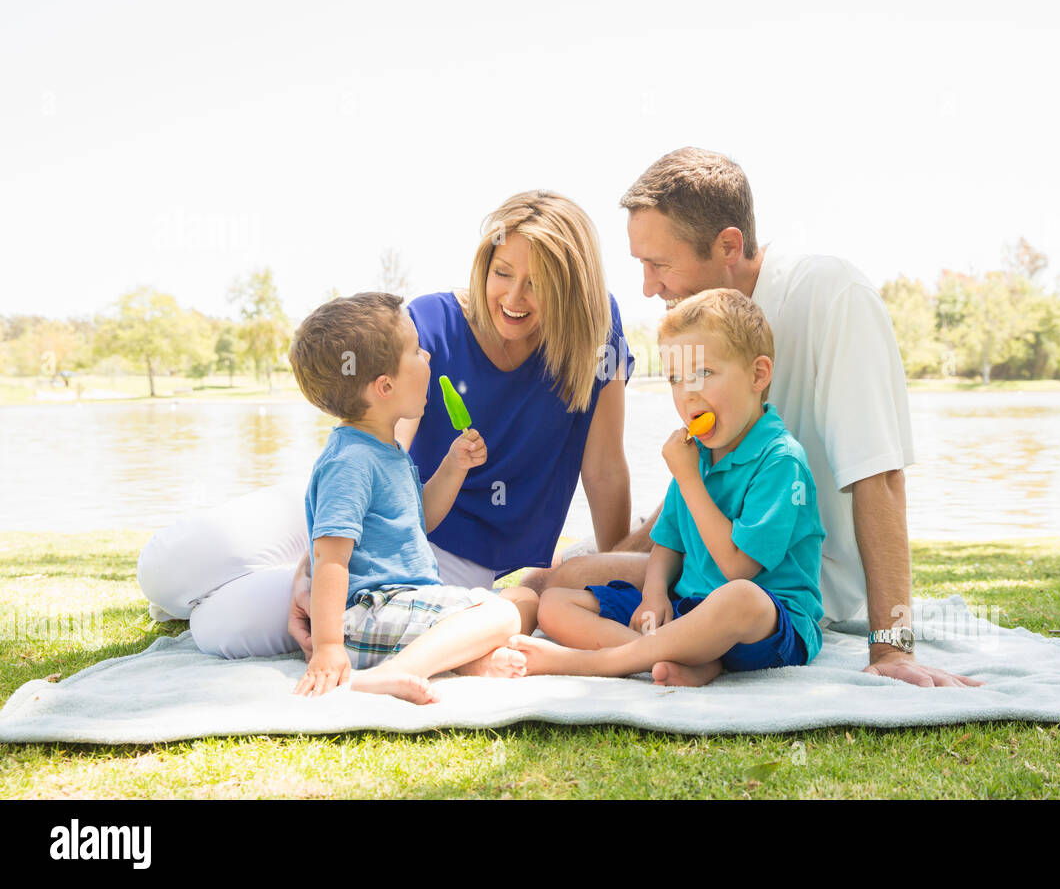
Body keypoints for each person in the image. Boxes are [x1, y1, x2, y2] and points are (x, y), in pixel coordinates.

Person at [522, 149, 983, 689]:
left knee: (609, 582)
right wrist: (610, 562)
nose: (648, 287)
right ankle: (667, 654)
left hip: (788, 580)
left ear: (729, 246)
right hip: (706, 572)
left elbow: (877, 473)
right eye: (640, 265)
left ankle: (626, 657)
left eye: (660, 265)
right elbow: (693, 500)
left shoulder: (832, 297)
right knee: (565, 579)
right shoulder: (703, 338)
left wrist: (892, 648)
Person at [137, 190, 634, 661]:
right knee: (164, 568)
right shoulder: (430, 322)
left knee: (224, 626)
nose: (514, 297)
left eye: (539, 283)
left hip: (438, 560)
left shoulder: (596, 330)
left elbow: (605, 467)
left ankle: (214, 596)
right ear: (485, 263)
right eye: (502, 272)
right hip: (356, 500)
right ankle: (204, 588)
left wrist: (617, 578)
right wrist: (321, 553)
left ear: (571, 288)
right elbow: (377, 455)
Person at [510, 289, 824, 688]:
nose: (688, 393)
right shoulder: (697, 455)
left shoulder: (781, 460)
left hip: (765, 625)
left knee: (740, 596)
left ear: (758, 375)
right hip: (688, 607)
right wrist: (654, 595)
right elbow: (668, 544)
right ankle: (684, 658)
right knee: (555, 604)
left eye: (703, 373)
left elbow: (737, 568)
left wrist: (689, 478)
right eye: (675, 378)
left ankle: (608, 661)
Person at [287, 291, 538, 704]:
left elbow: (420, 521)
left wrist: (454, 467)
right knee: (503, 613)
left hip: (404, 606)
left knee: (525, 599)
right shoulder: (350, 461)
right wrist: (329, 645)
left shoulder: (387, 450)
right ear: (385, 386)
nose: (428, 356)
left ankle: (464, 661)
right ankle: (395, 671)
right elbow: (331, 556)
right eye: (415, 351)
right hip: (369, 613)